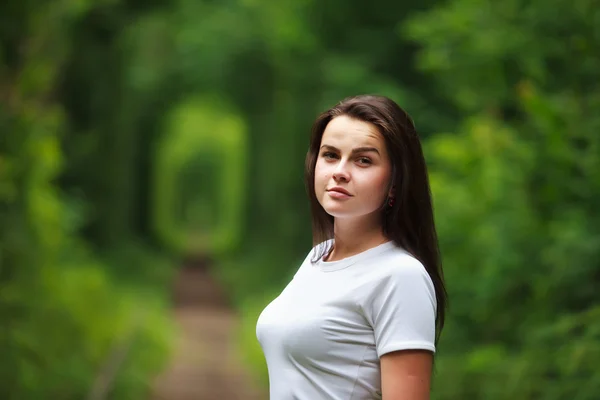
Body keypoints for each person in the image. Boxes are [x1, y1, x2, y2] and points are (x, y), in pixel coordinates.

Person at [256, 95, 447, 400]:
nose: (340, 171)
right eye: (330, 155)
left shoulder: (400, 276)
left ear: (395, 182)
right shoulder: (319, 258)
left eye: (363, 160)